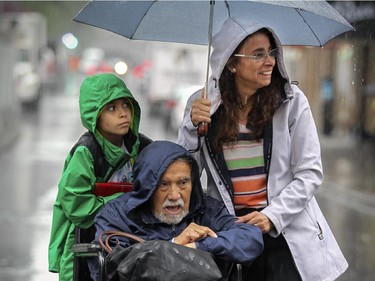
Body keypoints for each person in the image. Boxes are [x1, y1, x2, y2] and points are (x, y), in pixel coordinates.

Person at [177, 18, 348, 281]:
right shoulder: (203, 104)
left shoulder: (292, 102)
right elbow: (184, 174)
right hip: (229, 231)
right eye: (258, 54)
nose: (270, 61)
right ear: (231, 63)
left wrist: (272, 216)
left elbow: (310, 174)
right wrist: (192, 126)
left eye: (271, 52)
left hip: (283, 230)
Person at [91, 140, 264, 280]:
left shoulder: (204, 209)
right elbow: (109, 268)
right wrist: (174, 246)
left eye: (183, 183)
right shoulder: (117, 214)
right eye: (164, 184)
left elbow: (250, 238)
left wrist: (200, 245)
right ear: (146, 187)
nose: (174, 195)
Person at [48, 73, 152, 281]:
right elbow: (77, 206)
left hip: (129, 237)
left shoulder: (142, 146)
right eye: (111, 108)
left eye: (125, 104)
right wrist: (124, 202)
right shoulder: (86, 152)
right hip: (88, 239)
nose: (123, 113)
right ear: (94, 115)